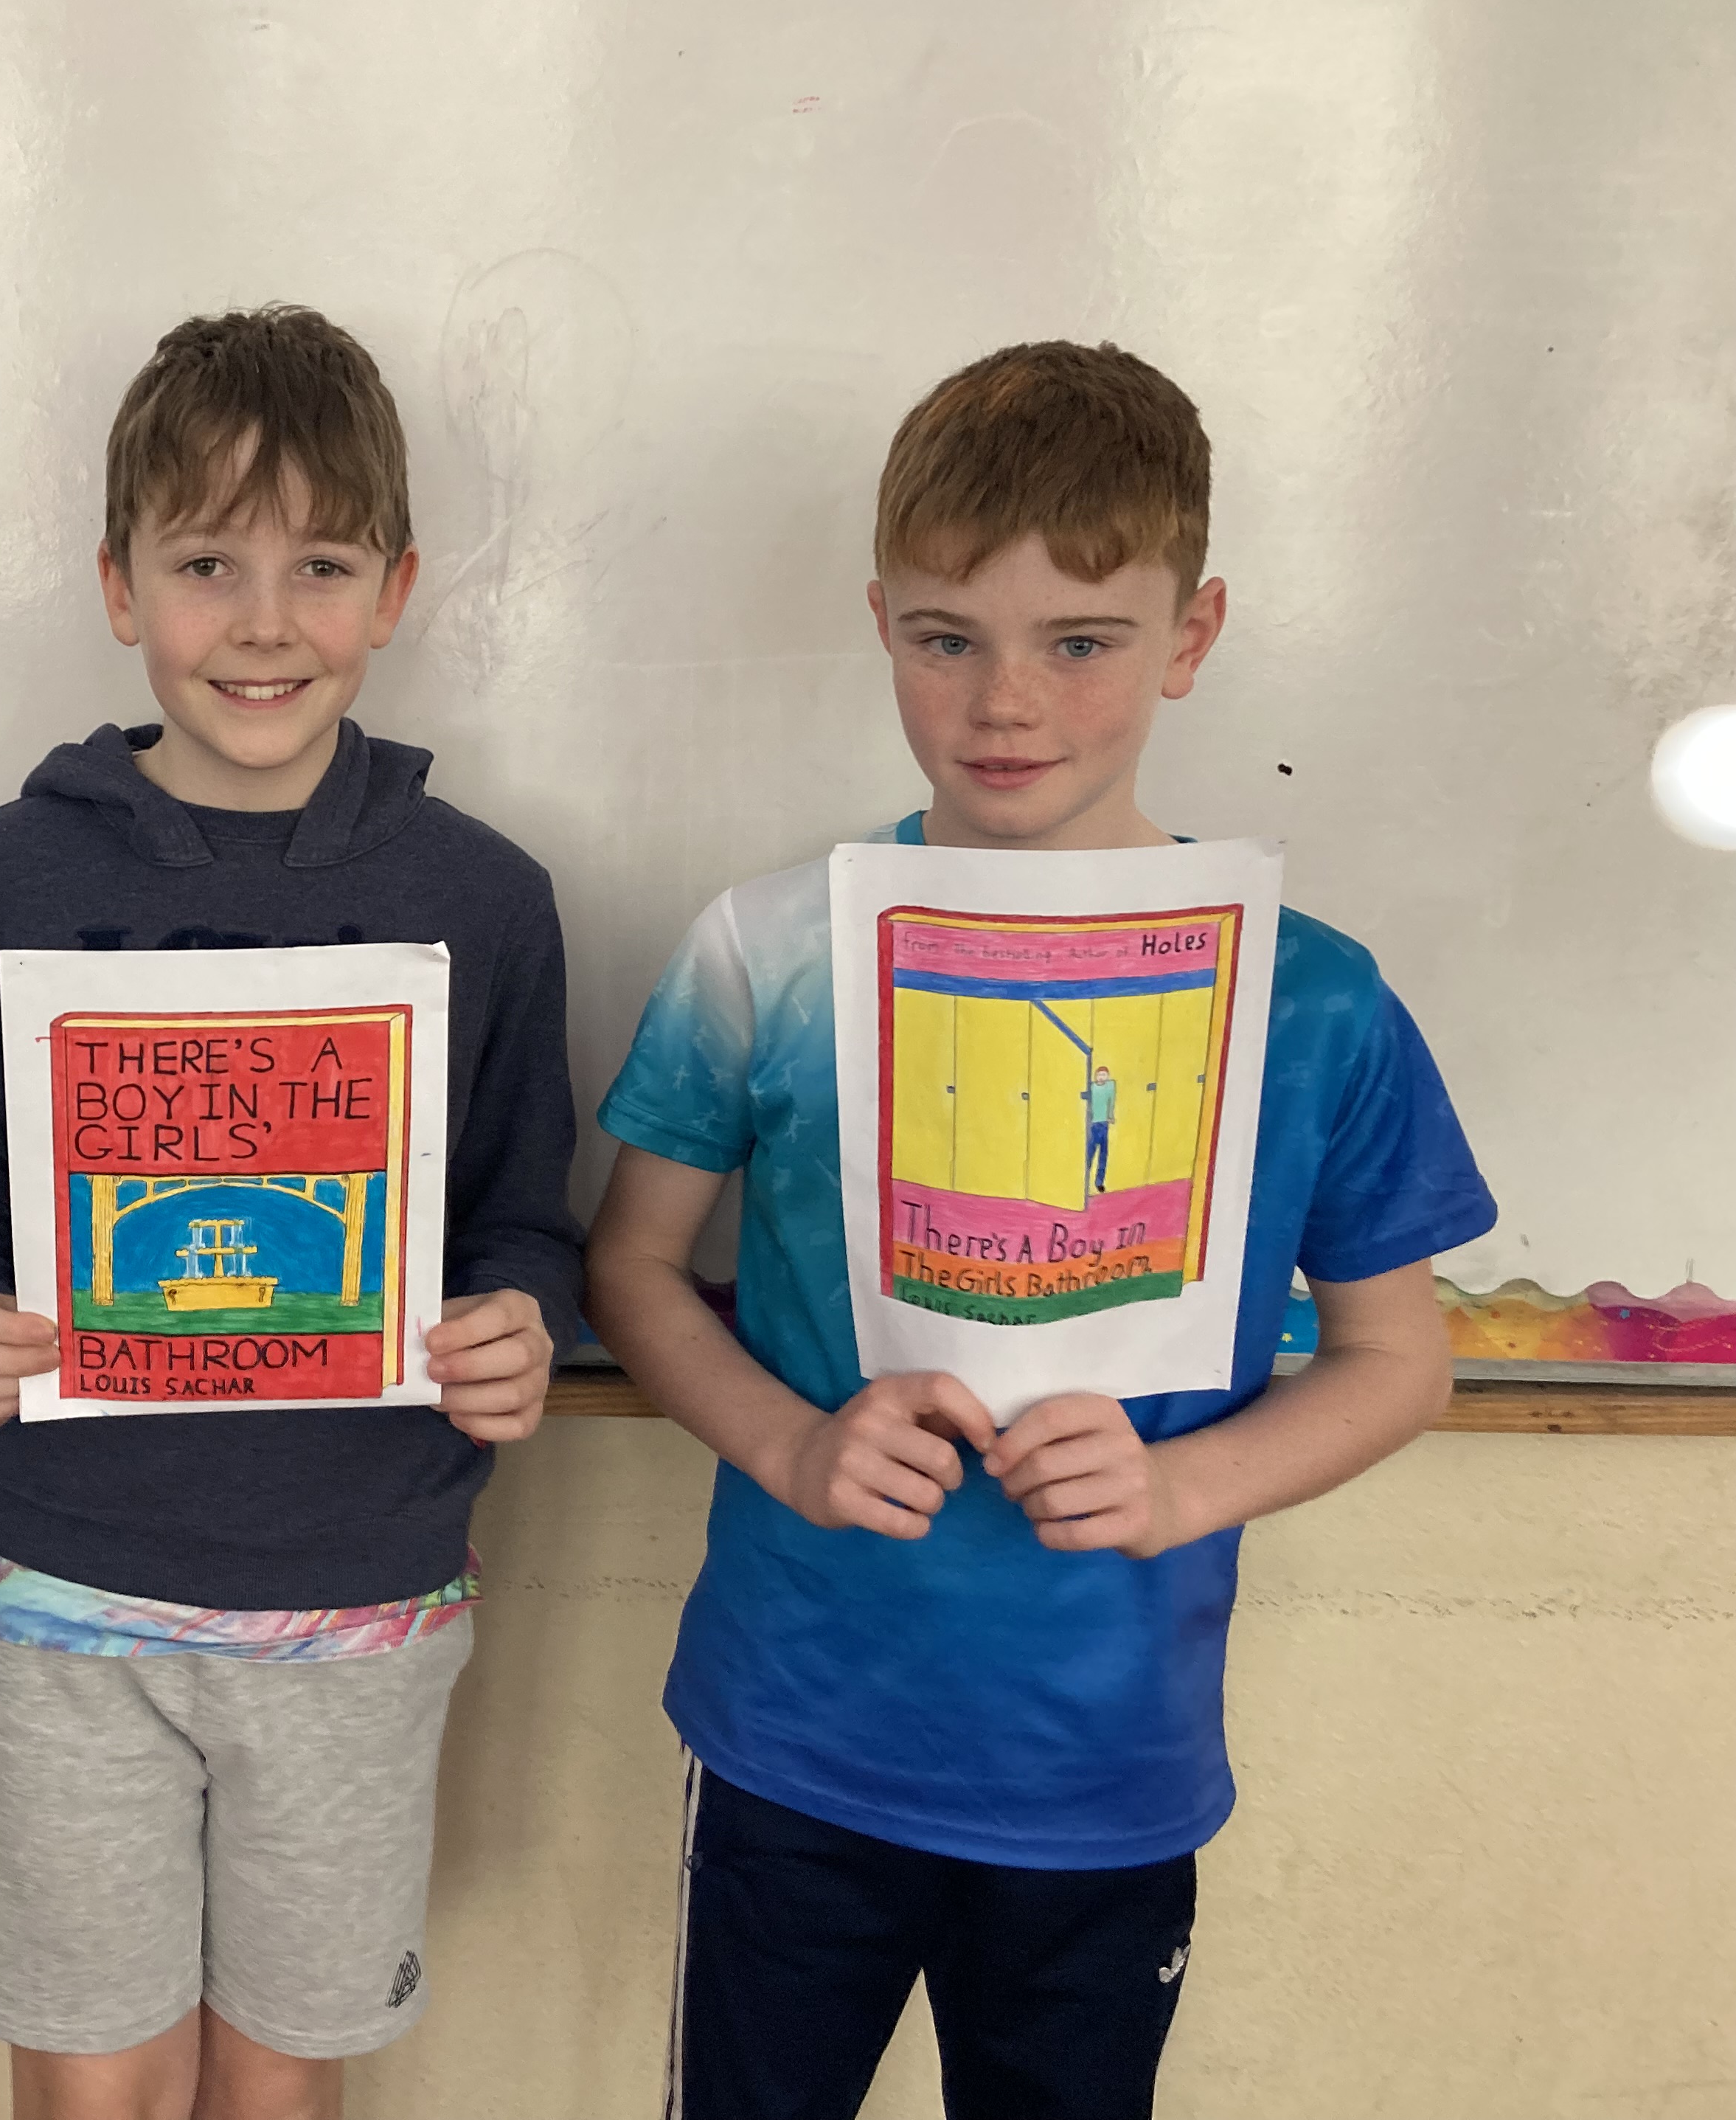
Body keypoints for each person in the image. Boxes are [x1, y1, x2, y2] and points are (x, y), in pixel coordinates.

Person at [584, 340, 1496, 2120]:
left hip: (1105, 1768)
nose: (1007, 702)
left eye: (1081, 642)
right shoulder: (769, 950)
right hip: (801, 1736)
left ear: (1192, 633)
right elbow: (630, 1261)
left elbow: (1399, 1359)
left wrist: (1181, 1489)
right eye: (948, 638)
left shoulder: (1309, 998)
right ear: (881, 624)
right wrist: (788, 1443)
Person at [0, 305, 585, 2120]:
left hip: (359, 1601)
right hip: (58, 1596)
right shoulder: (6, 876)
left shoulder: (486, 898)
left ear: (395, 589)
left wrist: (519, 1327)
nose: (265, 622)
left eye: (320, 565)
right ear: (121, 587)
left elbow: (524, 1224)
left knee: (277, 2085)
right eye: (207, 565)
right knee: (90, 2090)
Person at [1088, 1060, 1119, 1191]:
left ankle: (1099, 1181)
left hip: (1104, 1124)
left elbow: (1111, 1102)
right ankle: (1084, 1181)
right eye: (1099, 1075)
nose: (1101, 1077)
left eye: (1104, 1075)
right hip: (1093, 1124)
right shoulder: (1091, 1088)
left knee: (1103, 1154)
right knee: (1089, 1154)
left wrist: (1111, 1116)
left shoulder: (1110, 1087)